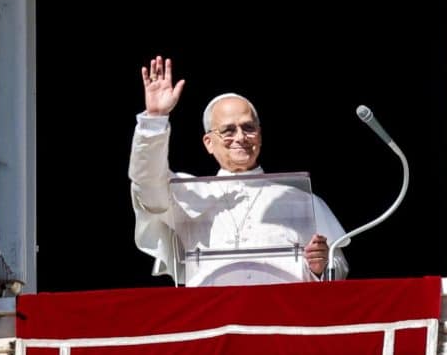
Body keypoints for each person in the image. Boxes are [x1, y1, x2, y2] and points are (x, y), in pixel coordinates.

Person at [129, 55, 348, 286]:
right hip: (212, 314)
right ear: (208, 143)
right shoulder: (188, 194)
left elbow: (338, 266)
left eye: (248, 128)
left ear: (260, 136)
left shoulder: (301, 200)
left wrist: (320, 268)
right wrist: (155, 119)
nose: (241, 137)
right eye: (228, 130)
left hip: (281, 315)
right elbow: (147, 183)